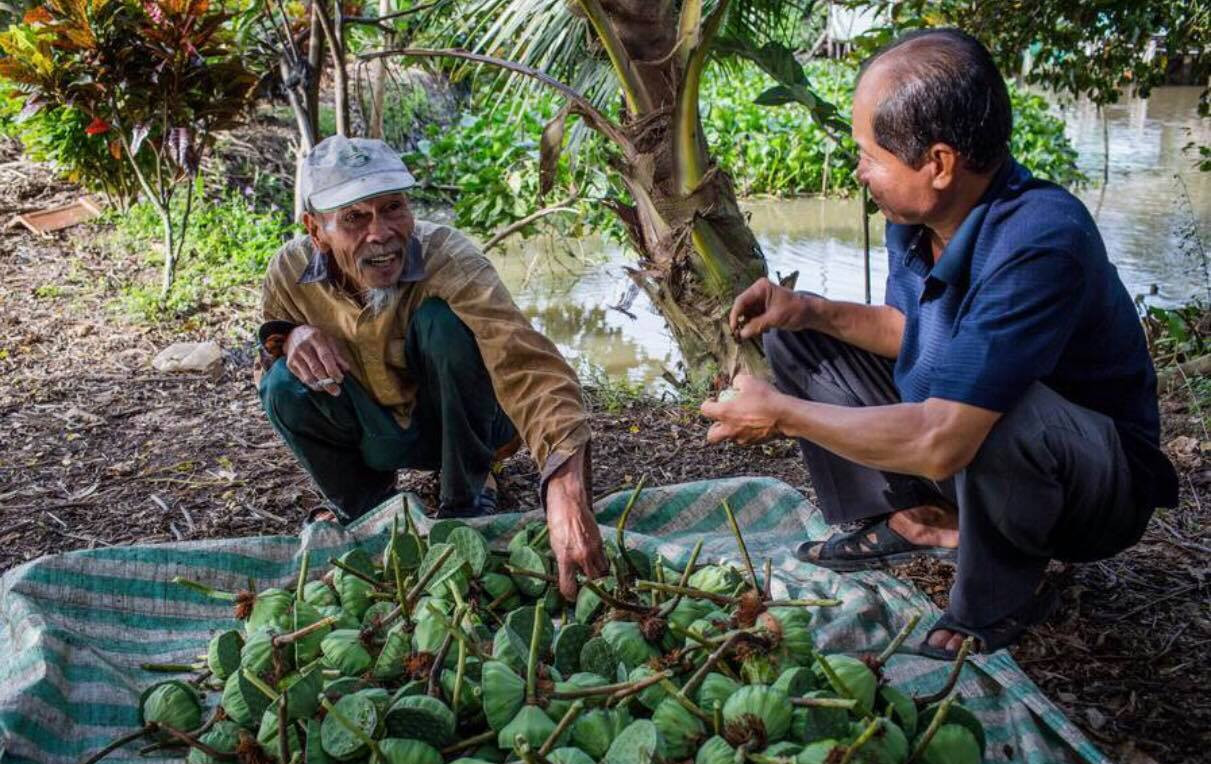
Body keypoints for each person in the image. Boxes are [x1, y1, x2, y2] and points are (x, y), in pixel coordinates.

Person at [700, 29, 1178, 658]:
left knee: (1002, 412)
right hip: (977, 446)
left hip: (1091, 488)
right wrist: (808, 310)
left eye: (871, 154)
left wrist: (785, 415)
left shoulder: (1039, 239)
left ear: (940, 163)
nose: (860, 171)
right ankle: (907, 518)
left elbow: (944, 437)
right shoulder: (920, 220)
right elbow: (913, 332)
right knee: (801, 338)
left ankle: (999, 595)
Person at [255, 134, 607, 599]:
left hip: (463, 422)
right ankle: (369, 512)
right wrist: (290, 336)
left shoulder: (449, 257)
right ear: (316, 230)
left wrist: (564, 488)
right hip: (376, 431)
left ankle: (467, 493)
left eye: (393, 208)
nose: (379, 233)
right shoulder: (289, 271)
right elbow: (264, 364)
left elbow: (527, 363)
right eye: (355, 218)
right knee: (283, 383)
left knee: (442, 324)